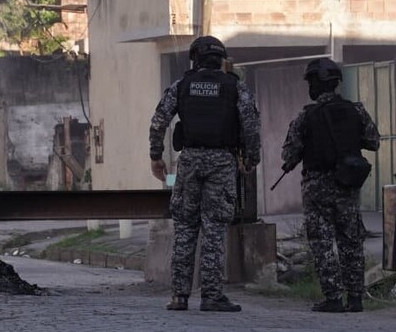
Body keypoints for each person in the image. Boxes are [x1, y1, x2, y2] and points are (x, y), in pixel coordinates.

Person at [149, 36, 261, 313]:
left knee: (185, 227)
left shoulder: (182, 85)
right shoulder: (235, 87)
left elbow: (159, 120)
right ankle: (211, 296)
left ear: (194, 58)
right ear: (221, 58)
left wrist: (156, 156)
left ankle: (179, 296)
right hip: (222, 162)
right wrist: (251, 157)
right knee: (214, 228)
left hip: (188, 162)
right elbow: (250, 124)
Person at [281, 58, 380, 313]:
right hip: (347, 184)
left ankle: (333, 298)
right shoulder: (356, 111)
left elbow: (289, 155)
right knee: (351, 240)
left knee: (322, 242)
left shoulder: (305, 116)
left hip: (317, 188)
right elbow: (373, 141)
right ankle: (356, 298)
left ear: (315, 84)